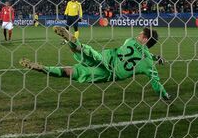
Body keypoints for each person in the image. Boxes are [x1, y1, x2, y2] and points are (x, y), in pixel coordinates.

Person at [20, 26, 170, 101]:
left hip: (105, 58)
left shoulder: (129, 41)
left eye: (141, 34)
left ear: (145, 39)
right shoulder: (147, 62)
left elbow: (137, 51)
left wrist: (155, 56)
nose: (138, 35)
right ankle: (44, 68)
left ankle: (72, 42)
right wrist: (164, 95)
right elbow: (155, 81)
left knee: (85, 52)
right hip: (109, 73)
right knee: (71, 72)